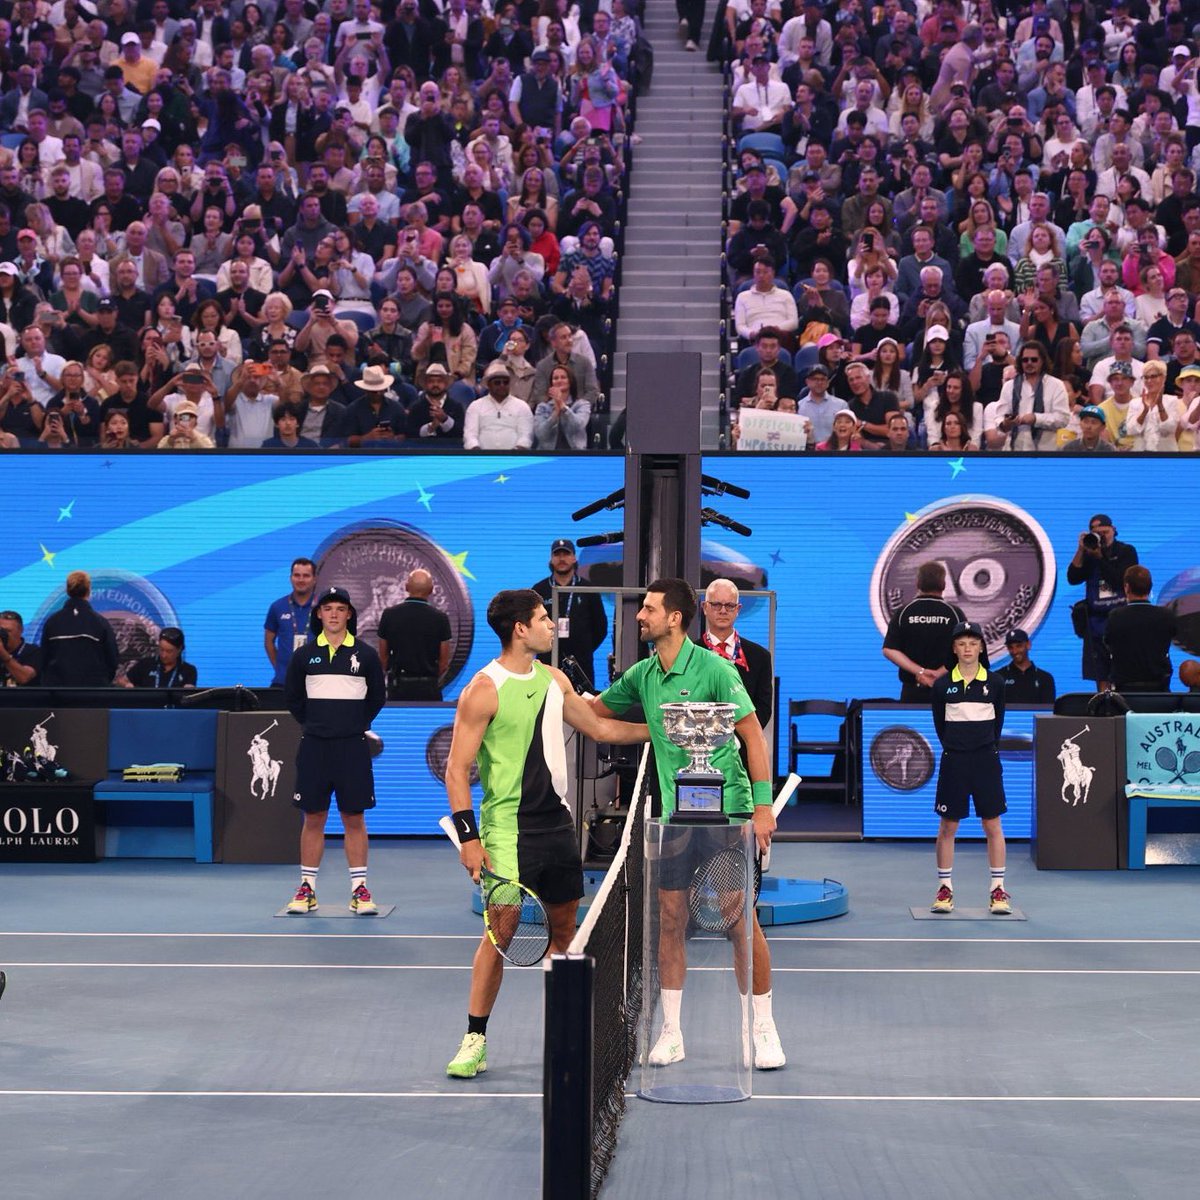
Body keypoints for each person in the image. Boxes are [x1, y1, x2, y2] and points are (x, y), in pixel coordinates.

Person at [444, 588, 649, 1080]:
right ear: (519, 629)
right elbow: (457, 769)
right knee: (502, 931)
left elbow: (601, 731)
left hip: (557, 827)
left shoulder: (554, 680)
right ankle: (475, 1038)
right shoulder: (483, 689)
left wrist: (662, 732)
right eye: (541, 618)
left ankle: (564, 1033)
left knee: (564, 932)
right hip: (506, 832)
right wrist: (470, 839)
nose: (549, 625)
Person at [589, 578, 784, 1071]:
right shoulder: (643, 675)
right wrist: (554, 687)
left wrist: (763, 808)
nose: (639, 616)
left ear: (673, 618)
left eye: (648, 609)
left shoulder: (717, 669)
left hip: (729, 812)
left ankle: (763, 1026)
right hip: (673, 816)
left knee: (740, 920)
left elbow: (753, 737)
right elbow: (596, 717)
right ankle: (672, 1032)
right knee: (671, 920)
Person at [284, 585, 386, 917]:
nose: (334, 614)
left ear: (349, 615)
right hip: (314, 747)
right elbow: (294, 700)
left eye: (340, 609)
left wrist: (351, 724)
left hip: (352, 748)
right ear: (319, 614)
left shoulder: (367, 655)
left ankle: (360, 890)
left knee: (353, 818)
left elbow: (376, 699)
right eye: (328, 609)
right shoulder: (304, 656)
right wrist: (318, 725)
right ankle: (307, 889)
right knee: (313, 817)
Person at [930, 622, 1012, 917]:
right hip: (954, 760)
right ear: (954, 648)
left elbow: (997, 724)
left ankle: (998, 890)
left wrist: (983, 747)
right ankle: (945, 888)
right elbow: (940, 725)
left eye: (973, 643)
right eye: (962, 643)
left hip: (986, 761)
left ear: (981, 647)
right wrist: (958, 747)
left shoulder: (997, 683)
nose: (967, 648)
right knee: (948, 826)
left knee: (992, 825)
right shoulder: (942, 685)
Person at [882, 561, 972, 703]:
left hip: (912, 691)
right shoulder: (955, 614)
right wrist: (939, 674)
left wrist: (920, 672)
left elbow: (889, 649)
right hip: (948, 688)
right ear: (944, 585)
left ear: (918, 583)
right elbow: (967, 651)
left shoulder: (904, 612)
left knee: (912, 726)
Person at [1066, 514, 1139, 690]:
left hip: (1121, 621)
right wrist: (1081, 550)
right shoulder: (1089, 555)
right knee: (1100, 673)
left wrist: (1100, 558)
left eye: (1104, 532)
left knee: (1124, 671)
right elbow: (1072, 578)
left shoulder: (1126, 551)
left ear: (1113, 530)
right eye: (1096, 533)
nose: (1102, 536)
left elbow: (1119, 581)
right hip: (1096, 624)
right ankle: (1104, 710)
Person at [530, 537, 608, 689]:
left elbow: (601, 627)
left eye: (566, 554)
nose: (561, 559)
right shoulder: (539, 589)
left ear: (574, 558)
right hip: (547, 661)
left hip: (581, 664)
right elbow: (531, 624)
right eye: (557, 555)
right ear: (551, 559)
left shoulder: (588, 589)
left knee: (583, 705)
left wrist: (583, 647)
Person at [700, 577, 772, 731]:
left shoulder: (760, 657)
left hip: (742, 747)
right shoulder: (689, 654)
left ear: (738, 609)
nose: (723, 610)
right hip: (699, 746)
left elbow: (763, 710)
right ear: (705, 607)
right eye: (716, 604)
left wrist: (735, 738)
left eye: (730, 605)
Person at [377, 569, 452, 700]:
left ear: (406, 587)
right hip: (429, 689)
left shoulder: (389, 615)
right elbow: (444, 663)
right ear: (431, 590)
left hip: (398, 688)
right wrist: (429, 678)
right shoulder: (441, 618)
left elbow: (383, 658)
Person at [1103, 566, 1178, 694]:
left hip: (1124, 692)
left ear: (1126, 588)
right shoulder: (1166, 616)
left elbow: (1108, 643)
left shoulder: (1115, 616)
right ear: (1150, 588)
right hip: (1159, 690)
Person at [39, 570, 118, 687]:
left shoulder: (52, 622)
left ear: (67, 590)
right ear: (89, 590)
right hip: (93, 694)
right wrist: (102, 683)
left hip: (58, 695)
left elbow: (43, 658)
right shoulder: (100, 622)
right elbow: (112, 659)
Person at [264, 557, 318, 688]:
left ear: (314, 579)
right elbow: (268, 642)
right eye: (297, 575)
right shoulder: (277, 607)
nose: (301, 580)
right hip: (283, 682)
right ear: (290, 578)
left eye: (306, 576)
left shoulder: (323, 607)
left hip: (315, 682)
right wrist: (280, 668)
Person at [122, 626, 197, 689]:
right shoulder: (145, 664)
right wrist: (126, 684)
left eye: (169, 651)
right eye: (161, 649)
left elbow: (189, 694)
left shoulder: (189, 670)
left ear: (179, 649)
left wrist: (189, 690)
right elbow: (122, 680)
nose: (164, 655)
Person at [996, 629, 1056, 704]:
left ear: (1028, 645)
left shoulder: (1045, 678)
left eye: (1019, 646)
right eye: (1010, 647)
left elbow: (1048, 712)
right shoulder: (998, 677)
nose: (1015, 651)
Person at [0, 610, 41, 686]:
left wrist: (4, 656)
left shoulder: (34, 652)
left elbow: (24, 677)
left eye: (7, 631)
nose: (3, 634)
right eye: (1, 630)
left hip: (23, 697)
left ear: (21, 630)